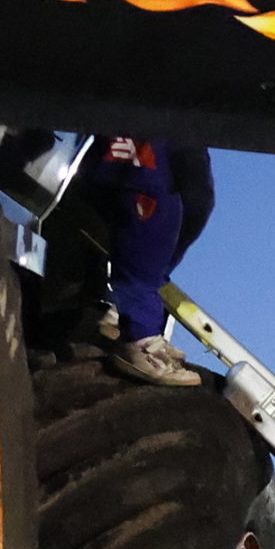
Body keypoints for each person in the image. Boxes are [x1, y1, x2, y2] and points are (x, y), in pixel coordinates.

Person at [90, 137, 217, 387]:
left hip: (186, 114)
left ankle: (124, 308)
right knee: (149, 187)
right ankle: (139, 336)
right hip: (139, 109)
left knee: (196, 197)